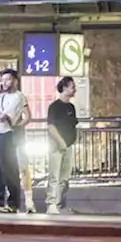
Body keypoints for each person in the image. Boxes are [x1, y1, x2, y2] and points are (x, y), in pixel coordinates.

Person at [0, 68, 28, 213]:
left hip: (7, 134)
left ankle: (13, 202)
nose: (5, 83)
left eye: (8, 79)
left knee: (9, 169)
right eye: (3, 80)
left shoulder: (18, 97)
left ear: (15, 80)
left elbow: (4, 116)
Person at [45, 77, 78, 214]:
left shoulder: (71, 107)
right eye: (72, 86)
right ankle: (51, 202)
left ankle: (61, 204)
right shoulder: (54, 106)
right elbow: (51, 126)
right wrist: (61, 142)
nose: (74, 89)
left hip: (68, 145)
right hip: (56, 146)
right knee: (54, 175)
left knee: (65, 178)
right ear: (64, 88)